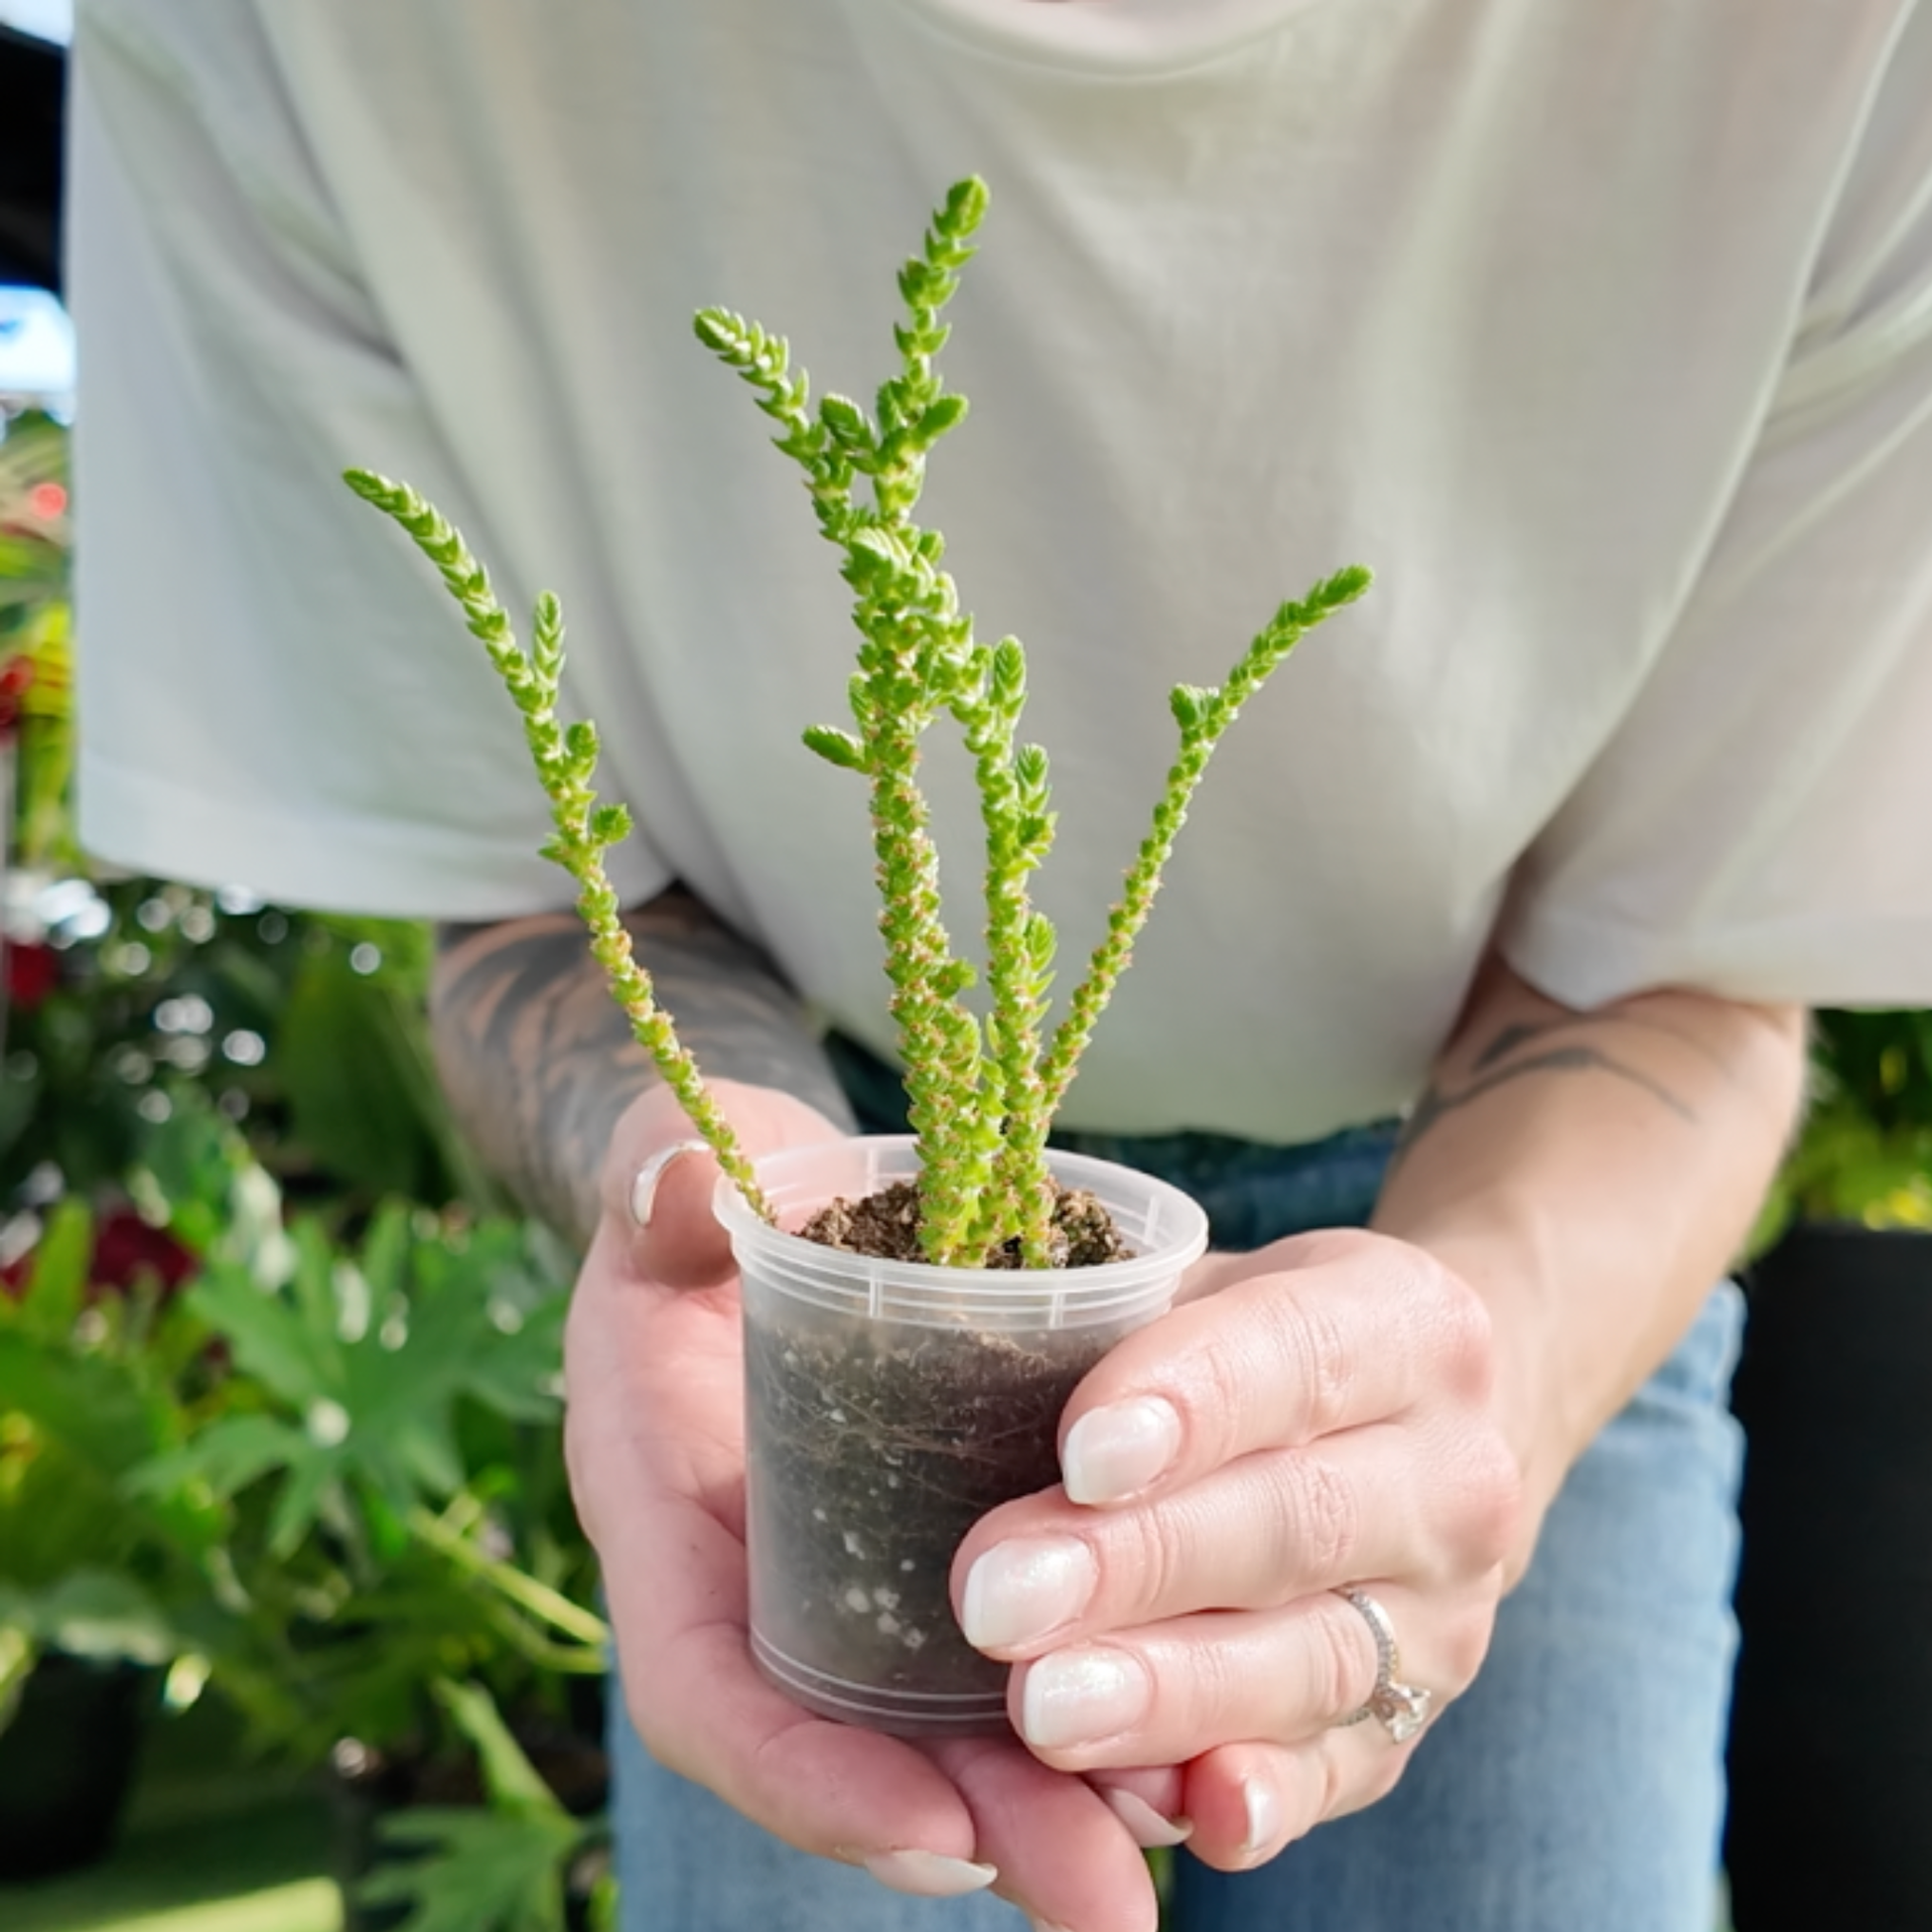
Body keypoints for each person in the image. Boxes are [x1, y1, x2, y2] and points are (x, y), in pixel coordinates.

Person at [69, 3, 1932, 1928]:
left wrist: (1486, 1366)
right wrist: (716, 1195)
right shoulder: (291, 36)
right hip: (830, 1278)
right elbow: (537, 902)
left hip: (1495, 1229)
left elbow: (1680, 963)